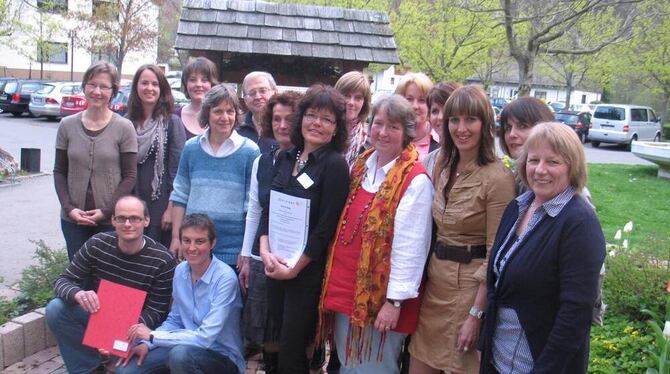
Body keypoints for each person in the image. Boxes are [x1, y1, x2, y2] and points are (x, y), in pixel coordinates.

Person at [319, 94, 433, 373]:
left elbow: (411, 249)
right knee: (348, 365)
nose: (382, 132)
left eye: (393, 127)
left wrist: (394, 303)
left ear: (406, 133)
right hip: (348, 291)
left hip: (382, 301)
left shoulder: (414, 180)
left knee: (374, 368)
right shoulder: (361, 166)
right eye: (378, 123)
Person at [480, 122, 606, 373]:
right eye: (533, 160)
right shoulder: (518, 207)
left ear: (573, 167)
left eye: (553, 162)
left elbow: (575, 314)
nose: (540, 170)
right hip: (499, 358)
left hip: (538, 364)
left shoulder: (578, 222)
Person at [409, 86, 516, 374]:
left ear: (485, 123)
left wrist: (476, 314)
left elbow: (497, 252)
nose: (461, 128)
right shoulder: (441, 164)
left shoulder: (498, 178)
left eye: (470, 119)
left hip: (470, 289)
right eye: (454, 120)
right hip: (435, 283)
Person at [257, 84, 351, 373]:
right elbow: (269, 208)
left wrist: (295, 269)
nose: (317, 124)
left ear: (336, 129)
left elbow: (326, 227)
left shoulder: (334, 166)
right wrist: (264, 251)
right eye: (312, 115)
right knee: (272, 343)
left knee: (292, 349)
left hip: (305, 273)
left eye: (326, 119)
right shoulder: (285, 156)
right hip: (275, 265)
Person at [45, 195, 177, 374]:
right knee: (56, 308)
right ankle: (89, 369)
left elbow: (157, 310)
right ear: (113, 220)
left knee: (124, 371)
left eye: (134, 218)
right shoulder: (97, 244)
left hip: (137, 327)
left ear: (146, 221)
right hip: (101, 316)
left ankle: (113, 356)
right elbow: (63, 281)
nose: (127, 224)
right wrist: (78, 294)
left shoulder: (162, 259)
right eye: (121, 218)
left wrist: (115, 334)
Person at [117, 214, 245, 374]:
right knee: (125, 371)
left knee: (180, 356)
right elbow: (175, 319)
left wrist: (152, 335)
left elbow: (205, 338)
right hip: (180, 347)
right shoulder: (180, 270)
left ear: (213, 243)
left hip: (220, 355)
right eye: (186, 240)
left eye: (199, 241)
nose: (191, 248)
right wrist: (147, 344)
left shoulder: (225, 278)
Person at [54, 61, 138, 260]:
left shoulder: (124, 128)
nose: (97, 91)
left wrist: (107, 211)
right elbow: (59, 171)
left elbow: (130, 175)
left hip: (110, 221)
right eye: (92, 84)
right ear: (84, 87)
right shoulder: (67, 125)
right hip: (73, 220)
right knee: (79, 277)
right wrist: (69, 208)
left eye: (104, 86)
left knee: (108, 278)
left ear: (113, 91)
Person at [170, 84, 260, 267]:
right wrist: (176, 238)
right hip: (194, 247)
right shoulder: (191, 148)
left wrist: (245, 251)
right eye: (218, 111)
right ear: (207, 114)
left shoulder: (250, 151)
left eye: (230, 111)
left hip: (232, 250)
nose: (225, 117)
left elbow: (251, 206)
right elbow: (180, 196)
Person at [127, 64, 186, 247]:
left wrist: (171, 209)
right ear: (136, 87)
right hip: (131, 200)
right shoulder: (126, 122)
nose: (149, 88)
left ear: (162, 89)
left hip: (160, 206)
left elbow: (177, 171)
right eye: (144, 83)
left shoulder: (172, 123)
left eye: (155, 84)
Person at [394, 73, 437, 162]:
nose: (415, 106)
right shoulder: (388, 137)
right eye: (409, 99)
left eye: (422, 100)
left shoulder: (441, 140)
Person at [423, 81, 463, 177]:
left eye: (446, 109)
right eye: (435, 111)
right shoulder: (428, 160)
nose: (440, 117)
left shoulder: (468, 159)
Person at [335, 71, 372, 167]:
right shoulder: (324, 134)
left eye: (358, 98)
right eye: (346, 96)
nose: (351, 102)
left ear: (364, 103)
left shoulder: (371, 142)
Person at [177, 57, 219, 139]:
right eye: (193, 80)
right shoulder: (174, 118)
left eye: (204, 80)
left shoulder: (222, 117)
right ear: (186, 84)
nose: (198, 84)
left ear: (212, 84)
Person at [239, 71, 279, 153]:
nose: (258, 97)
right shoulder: (236, 128)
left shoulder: (285, 126)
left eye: (263, 91)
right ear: (245, 100)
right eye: (252, 93)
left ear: (275, 92)